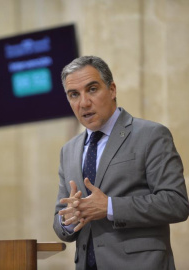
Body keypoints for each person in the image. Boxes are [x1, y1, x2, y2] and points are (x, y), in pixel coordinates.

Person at [53, 55, 189, 270]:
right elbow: (60, 222)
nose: (84, 102)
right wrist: (68, 220)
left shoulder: (151, 135)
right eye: (74, 95)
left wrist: (109, 207)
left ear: (112, 90)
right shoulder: (68, 150)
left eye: (92, 89)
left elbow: (176, 203)